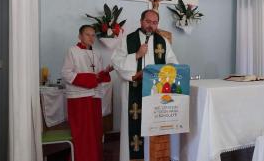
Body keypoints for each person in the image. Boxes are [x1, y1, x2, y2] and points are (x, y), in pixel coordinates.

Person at [112, 9, 178, 161]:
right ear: (141, 21)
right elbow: (116, 62)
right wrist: (136, 55)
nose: (151, 25)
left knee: (152, 128)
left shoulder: (163, 42)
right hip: (133, 91)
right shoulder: (128, 39)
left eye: (154, 23)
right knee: (134, 127)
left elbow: (173, 63)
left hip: (155, 93)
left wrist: (166, 74)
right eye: (148, 21)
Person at [61, 25, 112, 161]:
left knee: (95, 131)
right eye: (87, 34)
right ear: (80, 36)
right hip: (79, 98)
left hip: (94, 97)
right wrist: (91, 79)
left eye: (93, 35)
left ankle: (95, 157)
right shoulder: (72, 51)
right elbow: (66, 73)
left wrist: (106, 71)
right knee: (83, 132)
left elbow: (98, 76)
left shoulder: (97, 54)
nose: (91, 37)